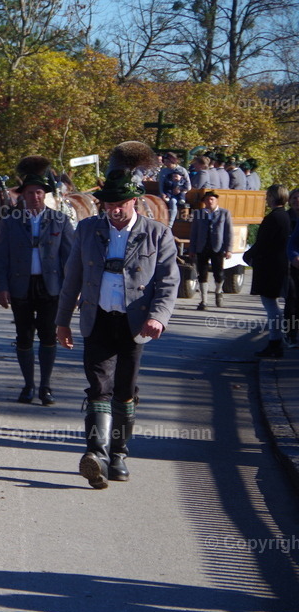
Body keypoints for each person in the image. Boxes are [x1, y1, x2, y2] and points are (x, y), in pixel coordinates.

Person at [56, 141, 180, 489]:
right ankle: (96, 453)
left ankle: (120, 452)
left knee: (125, 390)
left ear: (135, 202)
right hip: (97, 320)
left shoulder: (157, 234)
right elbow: (72, 278)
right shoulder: (87, 230)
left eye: (120, 204)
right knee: (98, 387)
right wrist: (62, 321)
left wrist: (158, 316)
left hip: (135, 323)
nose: (114, 211)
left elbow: (169, 282)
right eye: (108, 204)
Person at [0, 156, 75, 405]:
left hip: (51, 288)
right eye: (30, 192)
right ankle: (28, 386)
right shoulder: (10, 222)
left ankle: (46, 387)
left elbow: (71, 260)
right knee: (24, 336)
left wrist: (71, 291)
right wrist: (2, 287)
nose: (35, 196)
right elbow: (0, 257)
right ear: (23, 195)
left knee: (49, 336)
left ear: (45, 194)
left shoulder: (60, 221)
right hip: (21, 287)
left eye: (39, 192)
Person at [244, 185, 291, 358]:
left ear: (273, 197)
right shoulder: (284, 216)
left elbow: (263, 243)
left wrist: (249, 255)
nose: (266, 199)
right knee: (273, 306)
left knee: (271, 306)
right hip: (278, 264)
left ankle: (275, 342)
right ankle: (275, 341)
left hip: (270, 266)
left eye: (268, 196)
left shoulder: (273, 218)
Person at [188, 190, 233, 309]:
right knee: (202, 274)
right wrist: (192, 249)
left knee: (218, 274)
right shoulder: (198, 214)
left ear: (216, 200)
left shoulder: (224, 213)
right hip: (202, 247)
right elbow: (194, 233)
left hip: (217, 247)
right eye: (207, 199)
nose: (209, 201)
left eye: (212, 199)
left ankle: (218, 292)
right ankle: (204, 301)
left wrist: (229, 249)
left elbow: (229, 233)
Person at [287, 190, 299, 347]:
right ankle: (291, 334)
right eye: (294, 198)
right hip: (291, 266)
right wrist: (294, 256)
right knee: (292, 301)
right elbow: (292, 243)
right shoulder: (286, 217)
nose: (297, 201)